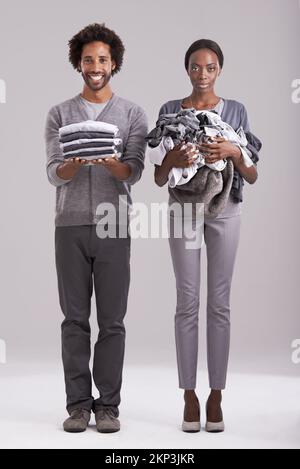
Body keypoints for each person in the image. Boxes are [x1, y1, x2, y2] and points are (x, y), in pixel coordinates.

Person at [154, 39, 261, 432]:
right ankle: (189, 394)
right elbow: (159, 177)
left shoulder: (236, 111)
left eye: (210, 67)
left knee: (219, 303)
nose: (203, 75)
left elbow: (251, 174)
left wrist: (232, 151)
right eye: (196, 67)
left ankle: (216, 394)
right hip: (184, 208)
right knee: (187, 301)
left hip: (226, 208)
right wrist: (173, 158)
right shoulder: (170, 111)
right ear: (187, 70)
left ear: (219, 70)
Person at [45, 23, 147, 433]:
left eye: (102, 59)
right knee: (73, 320)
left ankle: (108, 406)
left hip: (113, 225)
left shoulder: (132, 113)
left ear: (114, 63)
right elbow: (54, 173)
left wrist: (112, 164)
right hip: (69, 225)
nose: (95, 66)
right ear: (79, 63)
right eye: (88, 59)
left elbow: (135, 171)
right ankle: (77, 406)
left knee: (113, 320)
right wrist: (75, 163)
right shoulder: (59, 114)